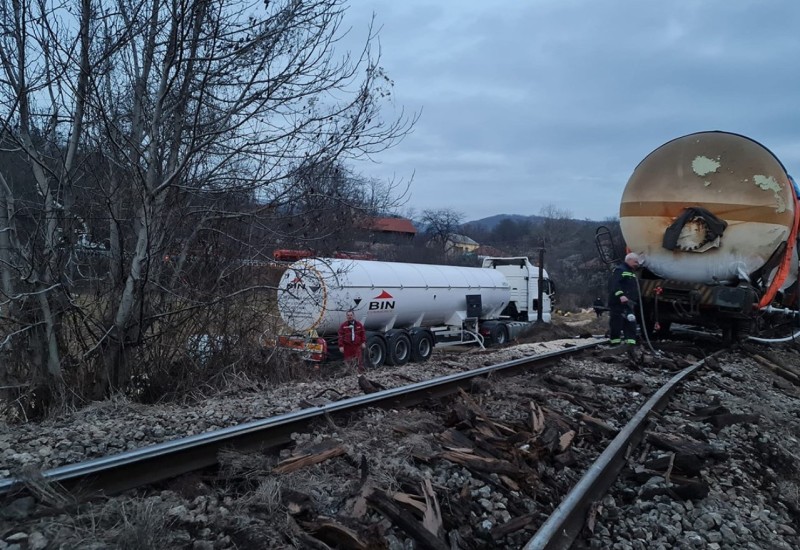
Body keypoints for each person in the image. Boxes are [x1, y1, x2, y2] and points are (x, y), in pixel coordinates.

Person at [608, 252, 642, 347]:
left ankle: (630, 343)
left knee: (630, 322)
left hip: (629, 303)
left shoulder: (631, 272)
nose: (637, 264)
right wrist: (621, 295)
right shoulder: (620, 270)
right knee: (617, 322)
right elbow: (615, 284)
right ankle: (615, 343)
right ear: (629, 260)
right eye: (635, 262)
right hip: (618, 302)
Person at [338, 310, 367, 374]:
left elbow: (363, 334)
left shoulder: (359, 325)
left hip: (357, 346)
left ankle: (359, 373)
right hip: (347, 346)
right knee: (348, 361)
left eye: (351, 315)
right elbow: (340, 336)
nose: (349, 317)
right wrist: (341, 346)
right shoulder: (343, 326)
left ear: (353, 316)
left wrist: (363, 342)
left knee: (358, 360)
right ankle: (349, 373)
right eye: (348, 315)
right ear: (346, 316)